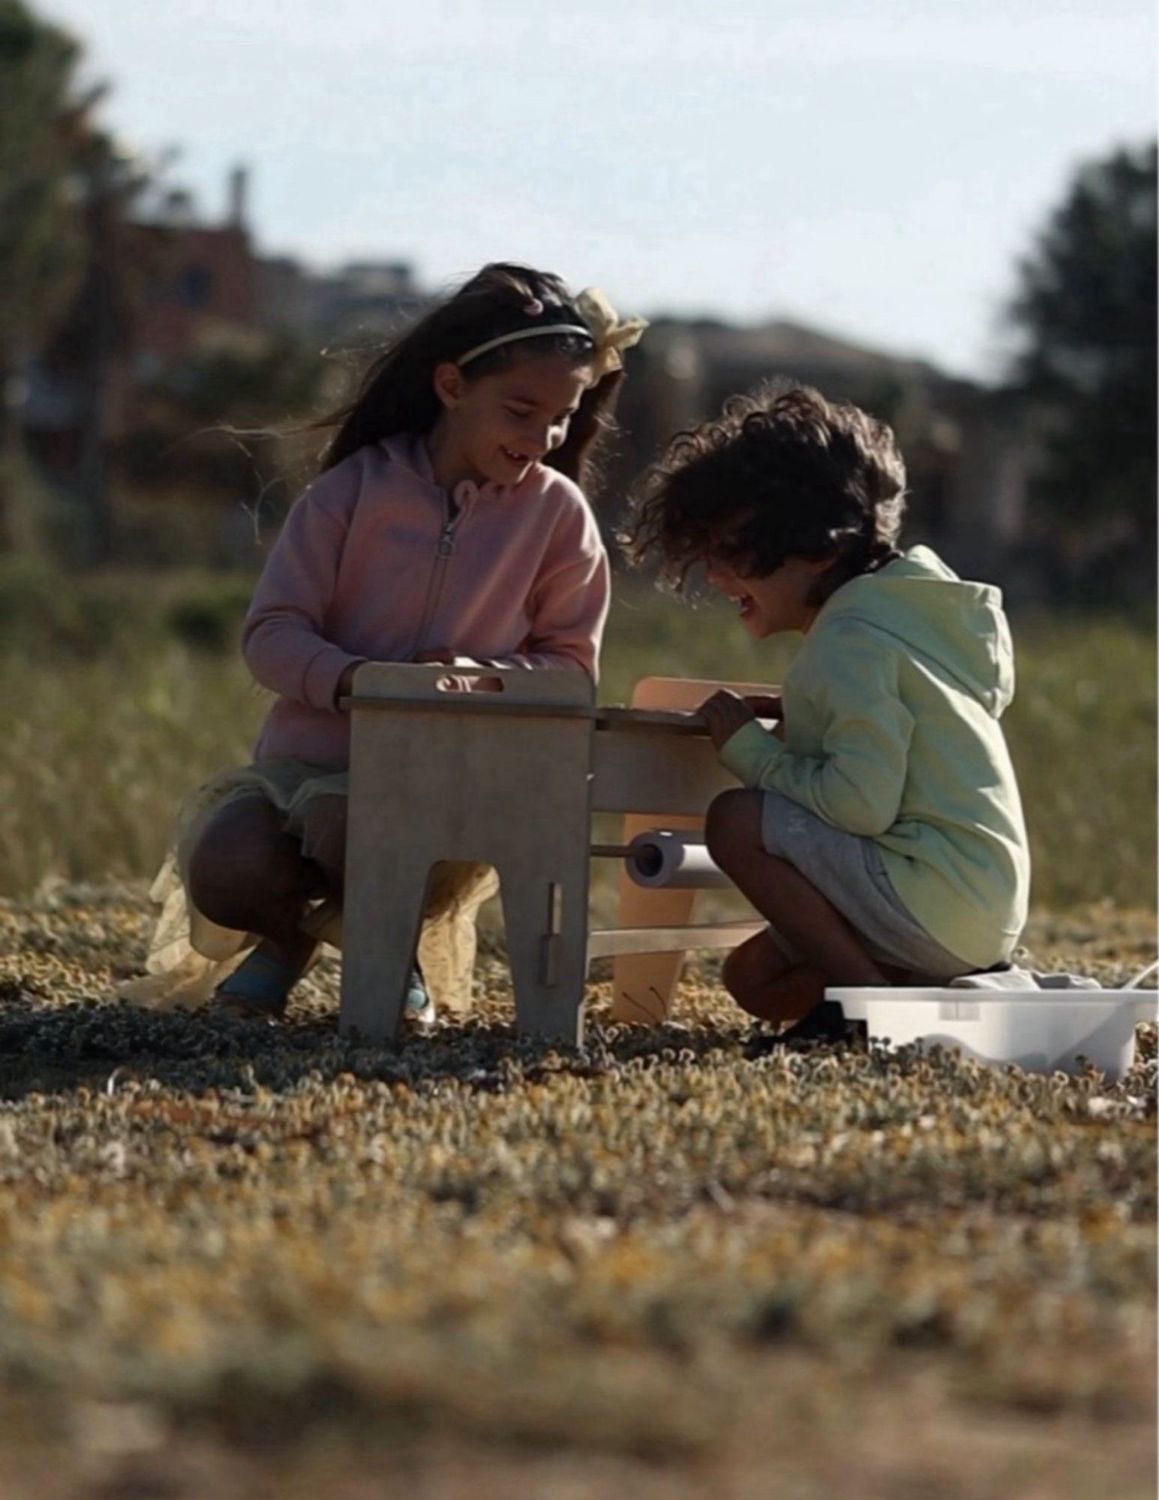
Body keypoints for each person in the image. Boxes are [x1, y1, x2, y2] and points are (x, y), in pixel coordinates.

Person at [131, 263, 646, 1023]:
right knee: (228, 865)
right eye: (520, 410)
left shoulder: (559, 517)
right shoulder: (350, 491)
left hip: (453, 782)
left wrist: (479, 676)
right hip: (305, 770)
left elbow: (570, 668)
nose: (542, 438)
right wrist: (354, 681)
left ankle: (381, 950)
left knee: (366, 826)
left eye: (561, 417)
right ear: (450, 386)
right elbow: (271, 634)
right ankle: (291, 941)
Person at [622, 381, 1029, 1042]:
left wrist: (752, 753)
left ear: (818, 550)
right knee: (754, 981)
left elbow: (858, 806)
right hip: (974, 911)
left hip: (929, 897)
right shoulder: (907, 620)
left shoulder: (847, 643)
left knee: (736, 820)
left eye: (732, 553)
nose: (717, 577)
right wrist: (804, 717)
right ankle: (915, 992)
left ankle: (868, 1011)